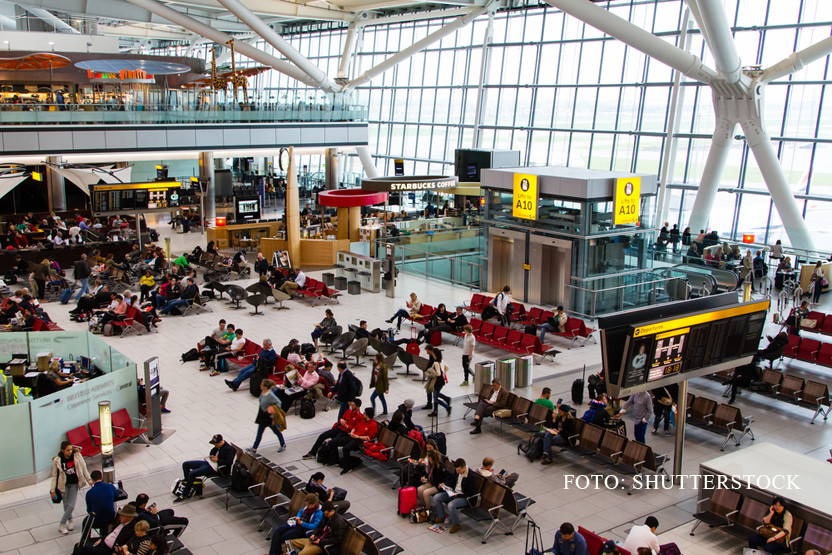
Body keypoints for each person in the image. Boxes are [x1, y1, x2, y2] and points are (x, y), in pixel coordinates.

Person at [174, 434, 235, 502]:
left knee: (192, 473)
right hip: (209, 463)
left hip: (216, 468)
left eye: (215, 444)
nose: (214, 445)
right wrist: (212, 455)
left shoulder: (229, 449)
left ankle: (184, 494)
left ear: (221, 442)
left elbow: (229, 462)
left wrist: (217, 460)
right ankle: (190, 484)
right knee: (185, 464)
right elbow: (212, 450)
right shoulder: (218, 446)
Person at [51, 441, 93, 534]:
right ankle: (70, 521)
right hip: (63, 485)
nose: (70, 452)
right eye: (67, 450)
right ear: (62, 450)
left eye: (70, 450)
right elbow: (54, 476)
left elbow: (84, 468)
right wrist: (52, 490)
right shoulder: (57, 460)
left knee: (71, 505)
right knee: (66, 505)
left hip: (74, 484)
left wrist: (89, 479)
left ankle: (61, 524)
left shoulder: (77, 456)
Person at [430, 458, 477, 534]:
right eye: (457, 470)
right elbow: (453, 481)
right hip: (454, 492)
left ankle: (456, 524)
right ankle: (441, 516)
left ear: (464, 467)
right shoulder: (457, 472)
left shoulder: (471, 476)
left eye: (459, 470)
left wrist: (459, 495)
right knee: (436, 498)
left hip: (464, 497)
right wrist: (445, 485)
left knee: (451, 505)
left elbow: (472, 492)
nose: (457, 472)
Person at [336, 407, 379, 474]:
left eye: (364, 413)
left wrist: (358, 436)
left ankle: (347, 467)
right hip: (353, 436)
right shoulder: (363, 420)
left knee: (346, 448)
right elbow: (355, 427)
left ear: (367, 415)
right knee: (336, 441)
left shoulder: (373, 425)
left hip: (360, 441)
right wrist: (352, 432)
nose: (363, 414)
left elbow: (369, 438)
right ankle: (336, 461)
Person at [249, 379, 287, 454]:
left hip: (268, 416)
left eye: (262, 385)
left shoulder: (270, 395)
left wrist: (272, 409)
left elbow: (278, 402)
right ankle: (254, 448)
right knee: (261, 432)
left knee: (274, 431)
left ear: (266, 387)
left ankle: (282, 444)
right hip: (262, 414)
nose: (260, 385)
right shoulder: (263, 392)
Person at [84, 470, 118, 538]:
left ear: (92, 480)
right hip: (110, 517)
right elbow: (116, 494)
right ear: (102, 477)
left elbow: (89, 510)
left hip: (97, 519)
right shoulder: (110, 486)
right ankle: (103, 537)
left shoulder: (89, 493)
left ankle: (85, 541)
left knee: (86, 522)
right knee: (104, 521)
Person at [425, 349, 451, 417]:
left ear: (434, 354)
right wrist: (443, 372)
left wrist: (432, 373)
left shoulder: (436, 362)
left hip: (437, 381)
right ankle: (435, 410)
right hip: (441, 381)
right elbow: (447, 368)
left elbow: (438, 373)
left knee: (436, 398)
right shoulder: (441, 361)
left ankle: (447, 407)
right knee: (436, 394)